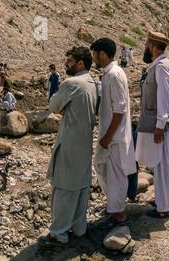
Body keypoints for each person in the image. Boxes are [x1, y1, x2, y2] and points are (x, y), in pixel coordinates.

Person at [42, 47, 97, 249]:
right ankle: (78, 228)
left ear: (80, 63)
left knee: (64, 188)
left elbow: (54, 105)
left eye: (70, 61)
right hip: (84, 143)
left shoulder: (72, 83)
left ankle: (59, 233)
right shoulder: (92, 82)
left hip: (70, 143)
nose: (66, 64)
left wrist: (62, 106)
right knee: (81, 186)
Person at [137, 32, 169, 218]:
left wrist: (160, 124)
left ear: (154, 46)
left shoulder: (162, 67)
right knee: (162, 164)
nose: (146, 47)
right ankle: (164, 202)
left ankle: (164, 208)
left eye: (148, 44)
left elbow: (165, 96)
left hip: (162, 125)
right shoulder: (162, 65)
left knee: (162, 165)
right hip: (162, 123)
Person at [91, 38, 135, 227]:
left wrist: (107, 138)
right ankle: (114, 207)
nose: (93, 57)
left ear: (102, 54)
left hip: (114, 137)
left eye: (95, 53)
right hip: (111, 135)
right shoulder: (110, 74)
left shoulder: (114, 75)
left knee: (116, 175)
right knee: (105, 169)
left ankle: (119, 214)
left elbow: (120, 109)